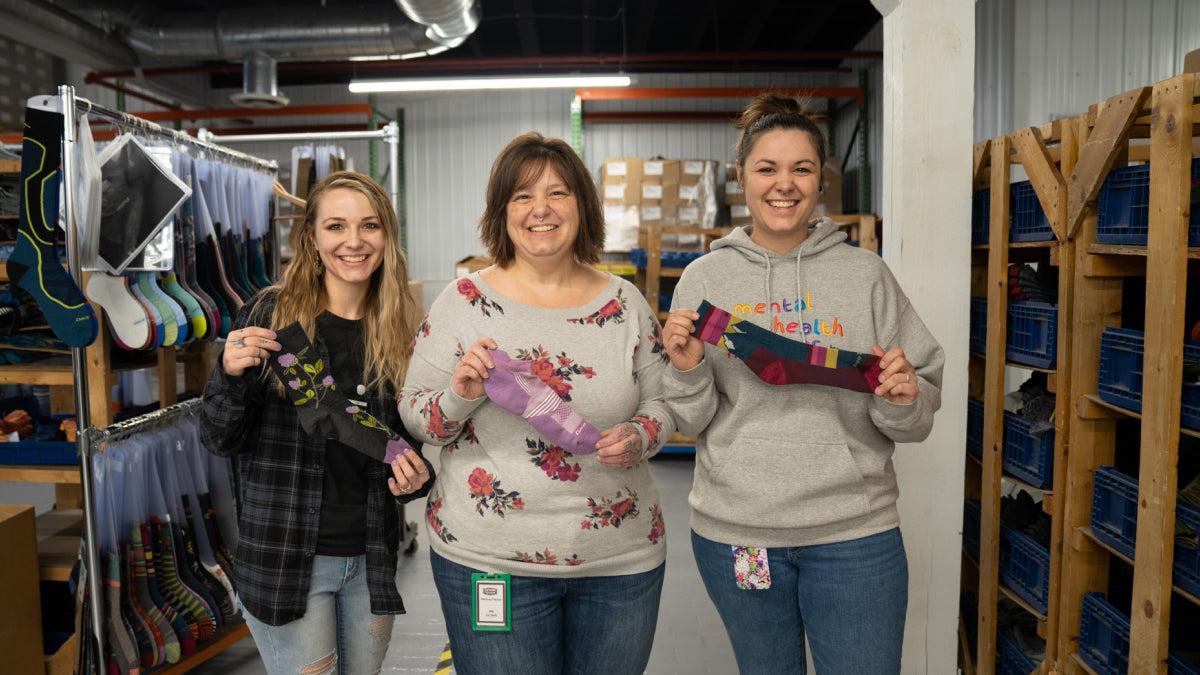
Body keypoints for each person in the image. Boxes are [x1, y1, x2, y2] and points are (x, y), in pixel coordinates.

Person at [661, 93, 945, 674]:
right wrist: (688, 370)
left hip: (855, 535)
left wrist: (903, 398)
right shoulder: (704, 279)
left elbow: (916, 414)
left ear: (821, 179)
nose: (783, 184)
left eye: (802, 168)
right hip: (738, 536)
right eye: (766, 168)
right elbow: (688, 420)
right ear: (742, 176)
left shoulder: (866, 275)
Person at [399, 131, 674, 675]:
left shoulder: (625, 303)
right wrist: (460, 396)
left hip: (619, 563)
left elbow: (668, 404)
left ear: (582, 207)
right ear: (502, 212)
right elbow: (417, 414)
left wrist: (644, 433)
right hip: (489, 562)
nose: (540, 210)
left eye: (558, 193)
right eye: (522, 196)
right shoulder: (462, 302)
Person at [200, 171, 434, 675]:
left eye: (369, 225)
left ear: (387, 235)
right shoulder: (269, 316)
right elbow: (219, 439)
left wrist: (418, 478)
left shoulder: (401, 330)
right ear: (312, 237)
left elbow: (406, 443)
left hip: (371, 555)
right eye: (336, 226)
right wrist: (229, 375)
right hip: (287, 560)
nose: (353, 241)